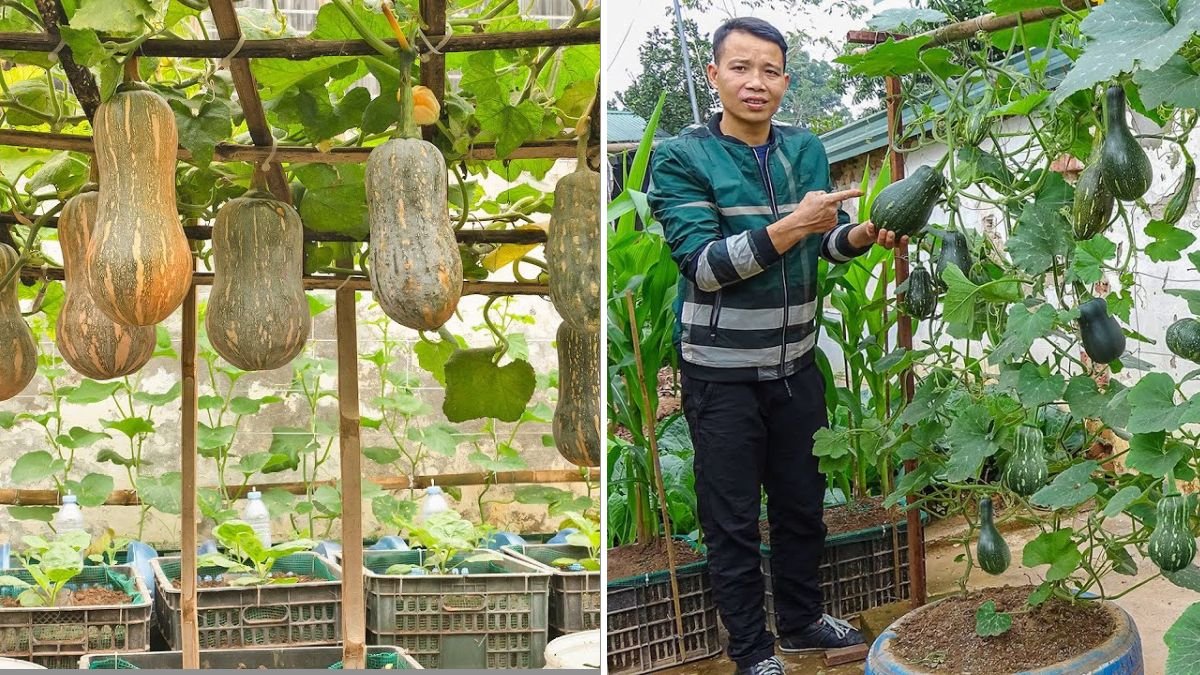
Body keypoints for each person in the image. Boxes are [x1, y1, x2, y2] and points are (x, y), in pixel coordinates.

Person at [646, 16, 911, 675]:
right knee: (732, 522)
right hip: (721, 376)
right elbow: (704, 264)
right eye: (741, 68)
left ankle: (799, 622)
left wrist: (859, 235)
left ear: (786, 82)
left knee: (801, 507)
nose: (755, 82)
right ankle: (751, 652)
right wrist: (794, 223)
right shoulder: (681, 158)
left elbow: (825, 243)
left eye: (769, 71)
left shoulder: (805, 149)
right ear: (715, 75)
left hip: (795, 367)